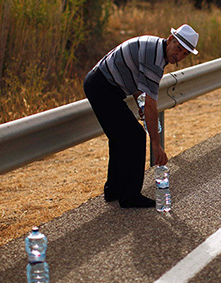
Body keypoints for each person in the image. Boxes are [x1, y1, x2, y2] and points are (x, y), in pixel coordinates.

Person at [83, 24, 200, 208]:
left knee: (120, 138)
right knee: (135, 135)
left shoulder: (154, 48)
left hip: (100, 83)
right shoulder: (155, 60)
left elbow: (138, 83)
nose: (179, 56)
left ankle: (113, 190)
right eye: (178, 49)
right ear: (170, 40)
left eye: (185, 54)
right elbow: (152, 106)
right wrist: (156, 145)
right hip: (102, 87)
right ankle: (130, 196)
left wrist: (141, 104)